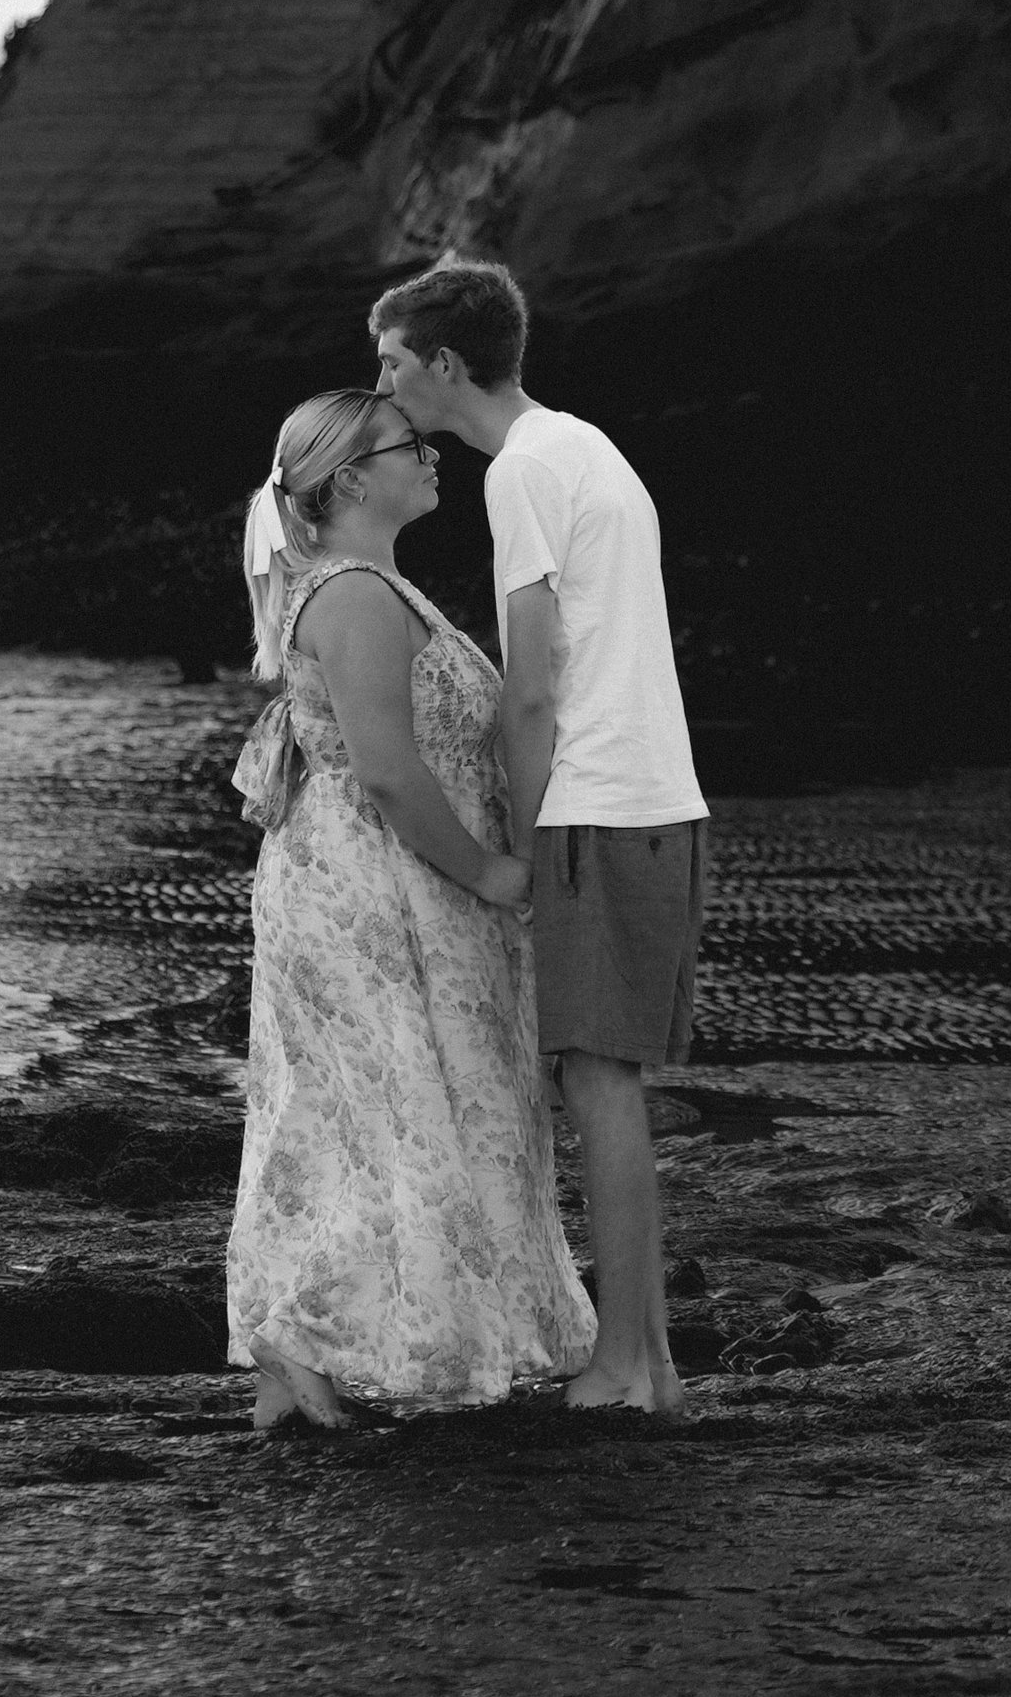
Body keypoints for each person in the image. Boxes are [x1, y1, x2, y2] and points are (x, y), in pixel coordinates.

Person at [224, 387, 598, 1429]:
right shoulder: (348, 593)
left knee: (396, 1105)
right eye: (408, 445)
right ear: (350, 477)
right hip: (374, 888)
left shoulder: (378, 585)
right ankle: (309, 1340)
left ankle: (338, 1342)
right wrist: (488, 870)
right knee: (380, 1106)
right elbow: (386, 770)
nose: (431, 456)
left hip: (392, 885)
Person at [371, 258, 708, 1414]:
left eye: (394, 361)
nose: (385, 383)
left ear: (446, 365)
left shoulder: (520, 473)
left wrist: (516, 846)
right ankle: (646, 1358)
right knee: (605, 1075)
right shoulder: (584, 443)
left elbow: (530, 685)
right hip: (656, 796)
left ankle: (625, 1362)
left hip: (595, 802)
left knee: (596, 1082)